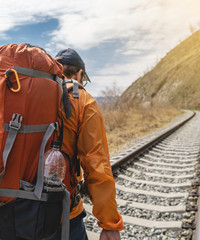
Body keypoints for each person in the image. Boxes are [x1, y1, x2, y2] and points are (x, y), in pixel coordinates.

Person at [48, 48, 124, 240]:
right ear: (79, 74)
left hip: (14, 210)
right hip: (60, 217)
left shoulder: (31, 96)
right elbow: (96, 165)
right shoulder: (83, 101)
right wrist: (109, 224)